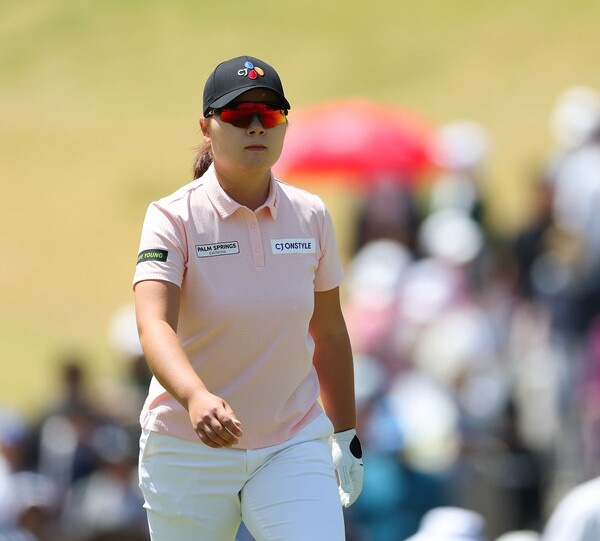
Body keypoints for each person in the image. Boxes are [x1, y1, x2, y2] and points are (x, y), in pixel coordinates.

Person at [133, 55, 363, 541]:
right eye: (239, 114)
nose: (256, 126)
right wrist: (195, 396)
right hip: (187, 445)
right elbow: (154, 324)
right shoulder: (171, 218)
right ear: (206, 126)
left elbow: (329, 332)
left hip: (291, 441)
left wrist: (345, 433)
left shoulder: (311, 214)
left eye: (270, 114)